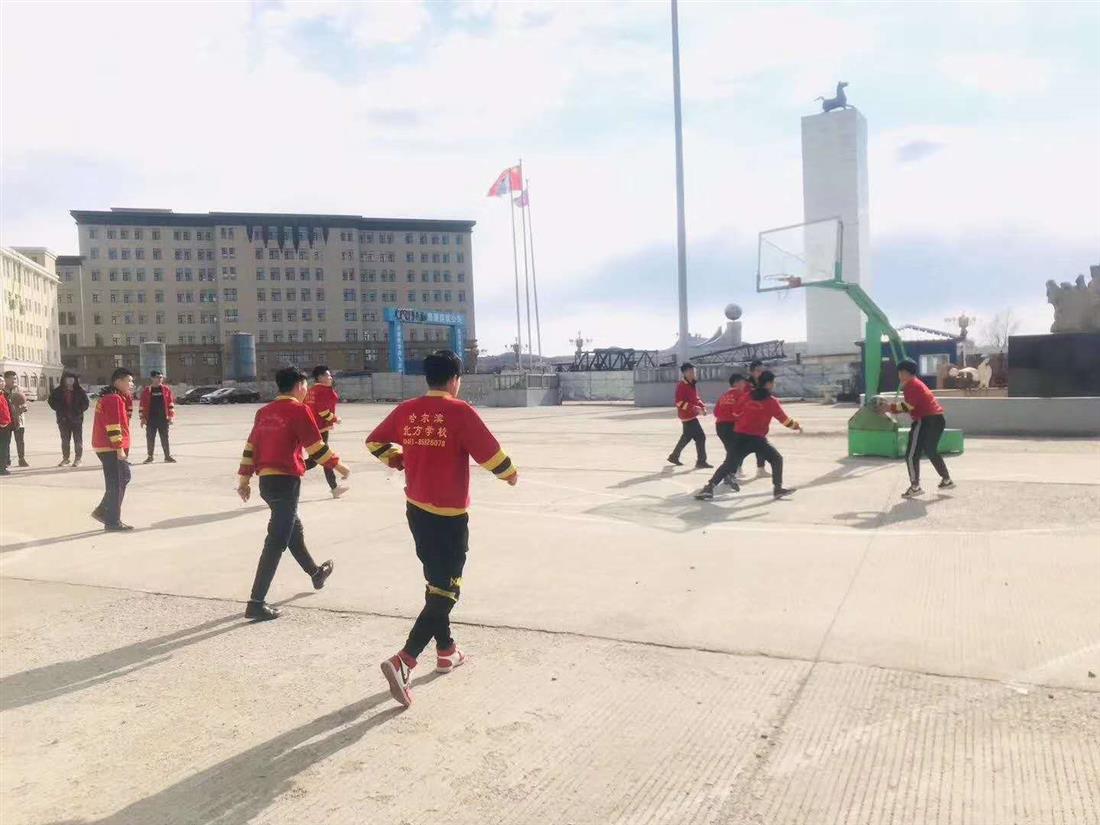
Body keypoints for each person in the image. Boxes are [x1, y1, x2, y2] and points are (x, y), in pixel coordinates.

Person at [366, 350, 518, 708]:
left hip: (417, 510)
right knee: (448, 590)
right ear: (455, 380)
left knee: (436, 583)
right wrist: (510, 474)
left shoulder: (407, 410)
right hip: (449, 516)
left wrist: (397, 459)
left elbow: (374, 441)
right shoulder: (460, 411)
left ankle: (447, 651)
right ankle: (405, 659)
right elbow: (491, 455)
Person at [236, 366, 350, 621]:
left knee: (293, 532)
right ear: (299, 386)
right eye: (305, 385)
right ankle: (256, 602)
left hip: (267, 484)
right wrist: (341, 467)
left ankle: (316, 573)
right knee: (276, 540)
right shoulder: (299, 410)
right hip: (286, 482)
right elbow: (316, 448)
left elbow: (250, 447)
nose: (306, 390)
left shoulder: (263, 412)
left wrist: (244, 480)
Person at [695, 370, 800, 500]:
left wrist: (746, 417)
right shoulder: (771, 401)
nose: (773, 385)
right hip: (758, 439)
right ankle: (777, 489)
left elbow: (736, 412)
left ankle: (708, 488)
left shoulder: (747, 396)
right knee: (776, 459)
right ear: (768, 384)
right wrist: (796, 426)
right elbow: (784, 420)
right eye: (773, 383)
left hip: (740, 436)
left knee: (729, 464)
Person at [886, 359, 954, 498]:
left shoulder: (911, 385)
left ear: (905, 373)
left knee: (911, 455)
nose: (899, 375)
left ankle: (915, 486)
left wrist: (889, 408)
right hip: (938, 419)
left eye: (900, 372)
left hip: (925, 420)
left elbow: (908, 406)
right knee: (930, 450)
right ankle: (946, 480)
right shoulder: (918, 383)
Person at [91, 368, 136, 531]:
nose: (132, 384)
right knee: (116, 483)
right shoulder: (113, 398)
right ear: (118, 381)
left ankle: (103, 511)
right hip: (111, 447)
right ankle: (112, 521)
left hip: (108, 446)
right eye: (129, 380)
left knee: (122, 478)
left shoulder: (114, 397)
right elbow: (113, 426)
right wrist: (119, 449)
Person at [303, 365, 347, 498]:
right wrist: (335, 419)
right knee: (322, 458)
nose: (330, 378)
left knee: (321, 457)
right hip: (320, 428)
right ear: (320, 377)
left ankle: (334, 488)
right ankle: (288, 472)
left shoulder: (311, 390)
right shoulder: (323, 390)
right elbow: (323, 412)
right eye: (328, 375)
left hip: (311, 427)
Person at [667, 362, 711, 468]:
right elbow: (679, 402)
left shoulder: (692, 384)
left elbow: (696, 398)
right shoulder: (681, 385)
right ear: (684, 373)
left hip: (691, 415)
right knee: (700, 437)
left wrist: (702, 406)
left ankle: (674, 456)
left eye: (693, 371)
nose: (693, 373)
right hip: (687, 416)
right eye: (690, 371)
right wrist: (695, 408)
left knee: (687, 437)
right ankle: (701, 461)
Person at [712, 372, 749, 491]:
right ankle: (728, 474)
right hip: (731, 426)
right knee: (735, 452)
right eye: (743, 382)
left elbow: (715, 412)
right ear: (736, 383)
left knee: (732, 451)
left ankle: (729, 474)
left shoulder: (724, 396)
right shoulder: (740, 394)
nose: (745, 384)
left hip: (720, 426)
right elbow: (741, 411)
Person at [47, 372, 90, 467]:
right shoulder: (58, 391)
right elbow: (51, 401)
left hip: (77, 420)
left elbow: (86, 403)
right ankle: (66, 459)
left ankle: (78, 459)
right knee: (65, 441)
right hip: (63, 420)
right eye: (68, 378)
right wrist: (59, 408)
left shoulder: (79, 391)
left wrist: (79, 410)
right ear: (64, 380)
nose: (70, 380)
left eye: (72, 379)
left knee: (78, 440)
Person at [139, 370, 176, 463]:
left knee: (165, 438)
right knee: (150, 438)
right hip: (151, 419)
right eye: (157, 377)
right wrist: (142, 418)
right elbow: (142, 405)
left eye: (161, 377)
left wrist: (171, 416)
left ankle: (167, 456)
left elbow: (170, 404)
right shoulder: (147, 391)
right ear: (152, 378)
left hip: (163, 419)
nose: (159, 379)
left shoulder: (166, 389)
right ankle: (150, 457)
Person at [743, 360, 769, 477]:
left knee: (761, 443)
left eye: (762, 370)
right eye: (758, 371)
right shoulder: (746, 384)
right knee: (742, 446)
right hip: (747, 420)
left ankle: (761, 469)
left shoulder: (763, 384)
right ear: (752, 372)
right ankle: (736, 468)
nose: (761, 373)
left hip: (759, 420)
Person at [2, 371, 29, 468]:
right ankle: (7, 460)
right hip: (7, 420)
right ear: (6, 379)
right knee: (6, 441)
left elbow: (24, 403)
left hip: (18, 419)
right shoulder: (2, 390)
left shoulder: (19, 389)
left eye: (15, 378)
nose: (14, 380)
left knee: (20, 440)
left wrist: (23, 408)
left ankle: (21, 459)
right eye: (11, 378)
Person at [0, 390, 11, 476]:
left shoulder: (3, 395)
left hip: (6, 424)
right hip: (2, 426)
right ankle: (2, 468)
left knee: (5, 447)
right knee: (3, 447)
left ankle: (3, 467)